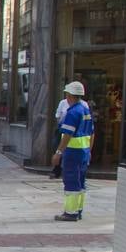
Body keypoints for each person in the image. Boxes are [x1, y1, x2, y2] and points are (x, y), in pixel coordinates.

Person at [53, 81, 94, 222]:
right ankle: (78, 210)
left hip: (72, 152)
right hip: (84, 151)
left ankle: (70, 213)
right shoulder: (86, 111)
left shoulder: (73, 112)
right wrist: (89, 151)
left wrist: (58, 152)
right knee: (81, 181)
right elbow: (92, 133)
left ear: (70, 95)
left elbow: (67, 135)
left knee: (71, 180)